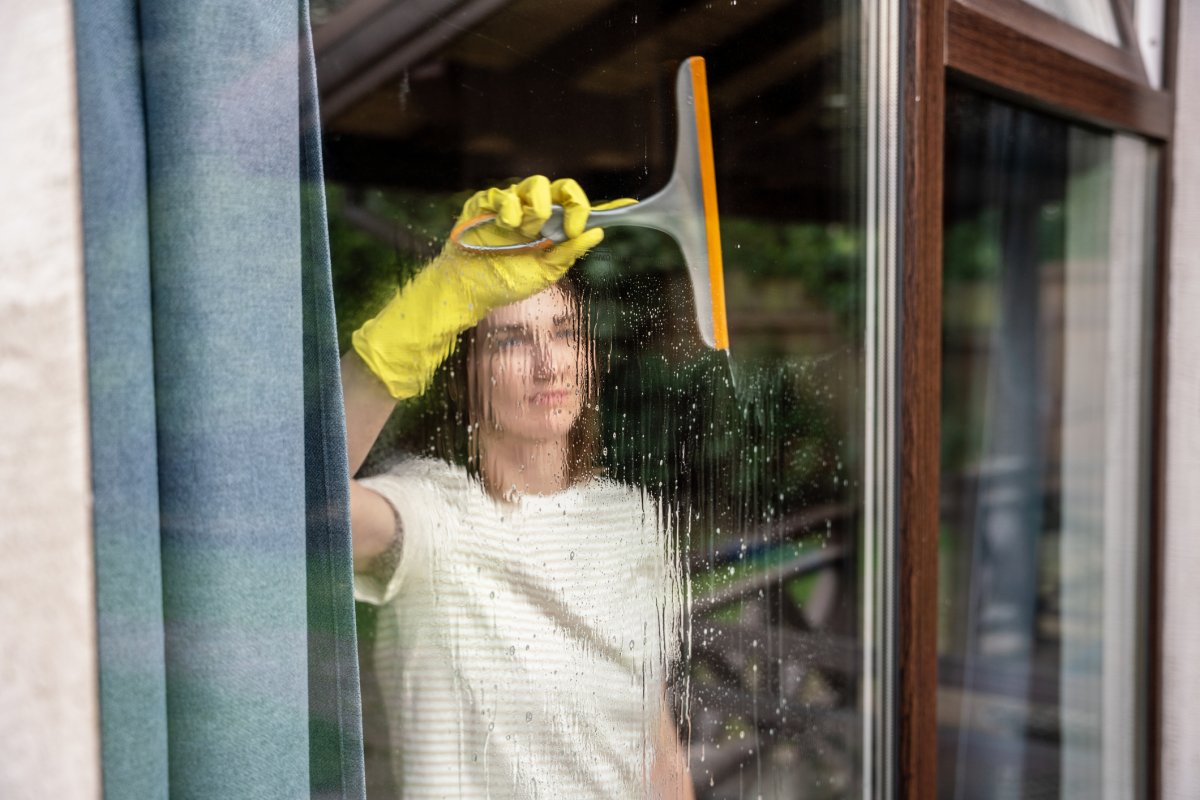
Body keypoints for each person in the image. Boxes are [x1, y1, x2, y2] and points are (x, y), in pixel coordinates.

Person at [341, 176, 694, 799]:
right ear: (463, 379)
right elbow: (295, 507)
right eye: (509, 339)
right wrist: (435, 305)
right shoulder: (434, 517)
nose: (547, 363)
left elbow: (653, 735)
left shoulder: (632, 520)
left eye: (562, 332)